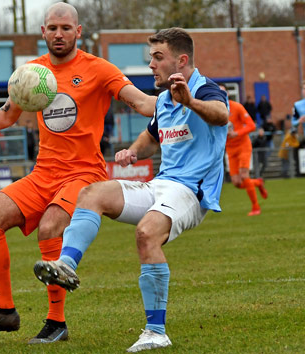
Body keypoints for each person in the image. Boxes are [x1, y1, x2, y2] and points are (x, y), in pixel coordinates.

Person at [0, 2, 156, 344]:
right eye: (52, 28)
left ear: (78, 32)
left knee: (50, 227)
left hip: (83, 173)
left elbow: (139, 101)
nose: (59, 34)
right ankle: (3, 311)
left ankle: (56, 323)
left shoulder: (99, 69)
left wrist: (176, 102)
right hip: (43, 172)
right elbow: (7, 114)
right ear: (43, 31)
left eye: (65, 28)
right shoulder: (31, 72)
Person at [32, 27, 229, 352]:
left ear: (181, 60)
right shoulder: (165, 99)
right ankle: (66, 264)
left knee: (146, 233)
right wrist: (134, 151)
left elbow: (222, 117)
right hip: (162, 185)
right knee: (92, 194)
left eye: (157, 57)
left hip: (192, 192)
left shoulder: (206, 90)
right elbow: (152, 137)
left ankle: (156, 332)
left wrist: (191, 102)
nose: (151, 64)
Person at [221, 85, 268, 216]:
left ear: (228, 94)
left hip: (243, 145)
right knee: (236, 182)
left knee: (244, 176)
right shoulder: (215, 110)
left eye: (223, 92)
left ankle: (256, 207)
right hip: (230, 149)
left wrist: (237, 133)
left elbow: (252, 125)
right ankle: (258, 182)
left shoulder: (237, 107)